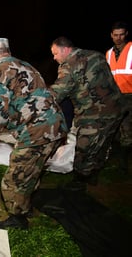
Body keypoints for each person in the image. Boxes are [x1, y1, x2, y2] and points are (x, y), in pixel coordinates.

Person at [0, 38, 68, 230]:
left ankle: (18, 218)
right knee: (32, 169)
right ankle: (26, 204)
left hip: (37, 130)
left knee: (14, 177)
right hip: (56, 125)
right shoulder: (24, 65)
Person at [50, 36, 124, 191]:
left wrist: (36, 99)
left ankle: (80, 181)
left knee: (83, 148)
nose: (54, 57)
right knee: (102, 143)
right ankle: (94, 173)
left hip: (94, 114)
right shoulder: (96, 55)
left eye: (56, 53)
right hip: (117, 108)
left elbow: (57, 93)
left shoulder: (68, 65)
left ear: (65, 49)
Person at [105, 21, 132, 173]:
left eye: (121, 34)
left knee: (127, 129)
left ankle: (123, 164)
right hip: (114, 97)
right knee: (113, 128)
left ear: (126, 34)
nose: (118, 38)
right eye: (116, 35)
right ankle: (116, 158)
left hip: (130, 95)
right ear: (111, 35)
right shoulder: (108, 53)